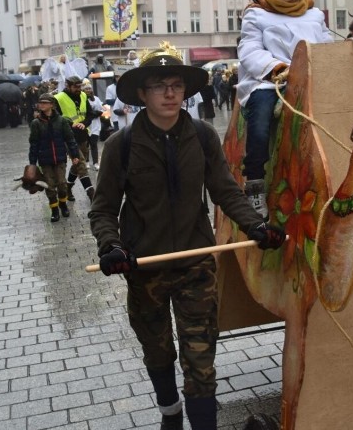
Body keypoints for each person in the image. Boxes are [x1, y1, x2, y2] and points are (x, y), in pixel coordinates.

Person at [89, 43, 285, 430]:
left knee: (200, 357)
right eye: (160, 86)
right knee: (158, 351)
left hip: (197, 265)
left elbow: (226, 191)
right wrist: (110, 246)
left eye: (176, 85)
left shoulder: (202, 135)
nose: (169, 93)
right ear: (142, 94)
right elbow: (103, 209)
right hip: (145, 268)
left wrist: (256, 226)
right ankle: (169, 415)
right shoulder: (120, 146)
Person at [237, 0, 332, 217]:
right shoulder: (256, 13)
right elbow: (249, 50)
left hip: (311, 78)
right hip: (270, 81)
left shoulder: (314, 15)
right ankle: (255, 181)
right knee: (261, 119)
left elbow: (324, 45)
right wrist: (277, 68)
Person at [28, 93, 81, 222]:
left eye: (45, 103)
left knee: (62, 184)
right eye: (40, 103)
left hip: (60, 158)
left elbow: (70, 139)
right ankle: (54, 209)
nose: (42, 105)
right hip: (45, 160)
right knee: (50, 186)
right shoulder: (36, 123)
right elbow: (33, 144)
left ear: (52, 105)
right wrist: (32, 163)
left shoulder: (61, 121)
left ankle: (63, 203)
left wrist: (75, 155)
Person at [54, 75, 95, 201]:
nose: (79, 89)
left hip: (82, 134)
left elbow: (90, 114)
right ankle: (91, 193)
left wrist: (85, 123)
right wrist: (71, 124)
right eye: (75, 87)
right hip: (68, 136)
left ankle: (67, 188)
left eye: (80, 86)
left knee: (77, 164)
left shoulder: (83, 95)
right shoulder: (59, 98)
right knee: (81, 163)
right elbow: (56, 118)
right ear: (68, 86)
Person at [83, 81, 104, 170]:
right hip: (86, 125)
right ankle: (87, 161)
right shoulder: (83, 99)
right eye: (86, 89)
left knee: (94, 144)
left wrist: (93, 114)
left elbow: (100, 111)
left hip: (95, 125)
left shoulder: (96, 99)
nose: (88, 90)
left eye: (89, 88)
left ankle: (95, 163)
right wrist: (91, 114)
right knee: (86, 144)